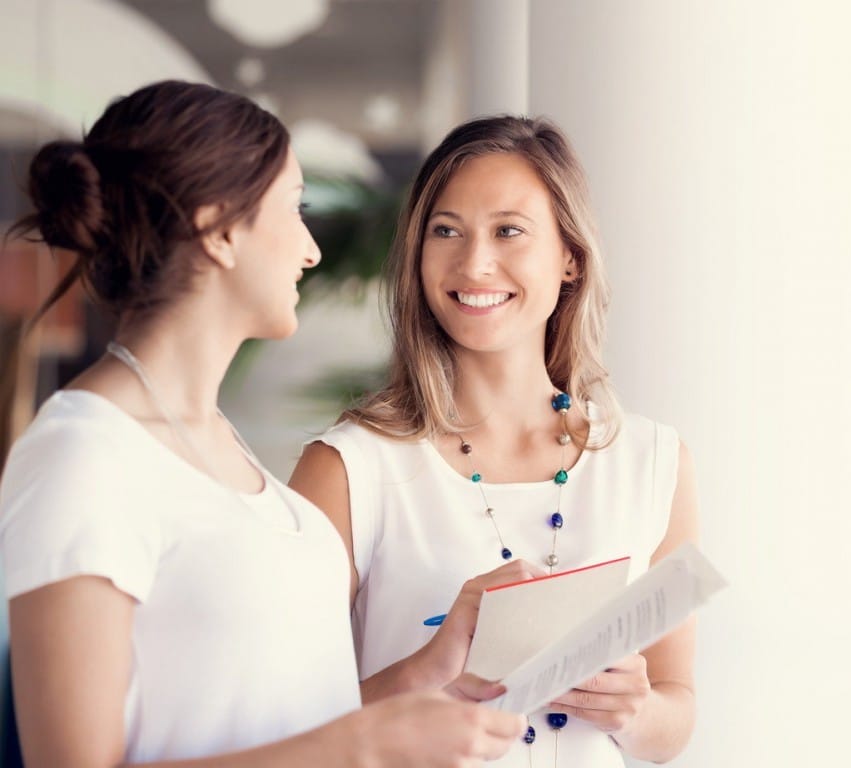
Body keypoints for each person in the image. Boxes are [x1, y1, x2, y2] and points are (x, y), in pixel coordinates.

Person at [0, 80, 524, 768]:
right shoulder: (83, 457)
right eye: (294, 208)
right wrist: (360, 749)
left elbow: (288, 721)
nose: (311, 250)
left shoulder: (214, 440)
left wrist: (433, 667)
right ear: (219, 230)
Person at [289, 115, 700, 767]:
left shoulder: (652, 463)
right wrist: (430, 670)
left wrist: (637, 709)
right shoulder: (346, 470)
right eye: (445, 231)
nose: (474, 262)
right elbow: (290, 728)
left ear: (570, 256)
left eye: (508, 230)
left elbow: (675, 720)